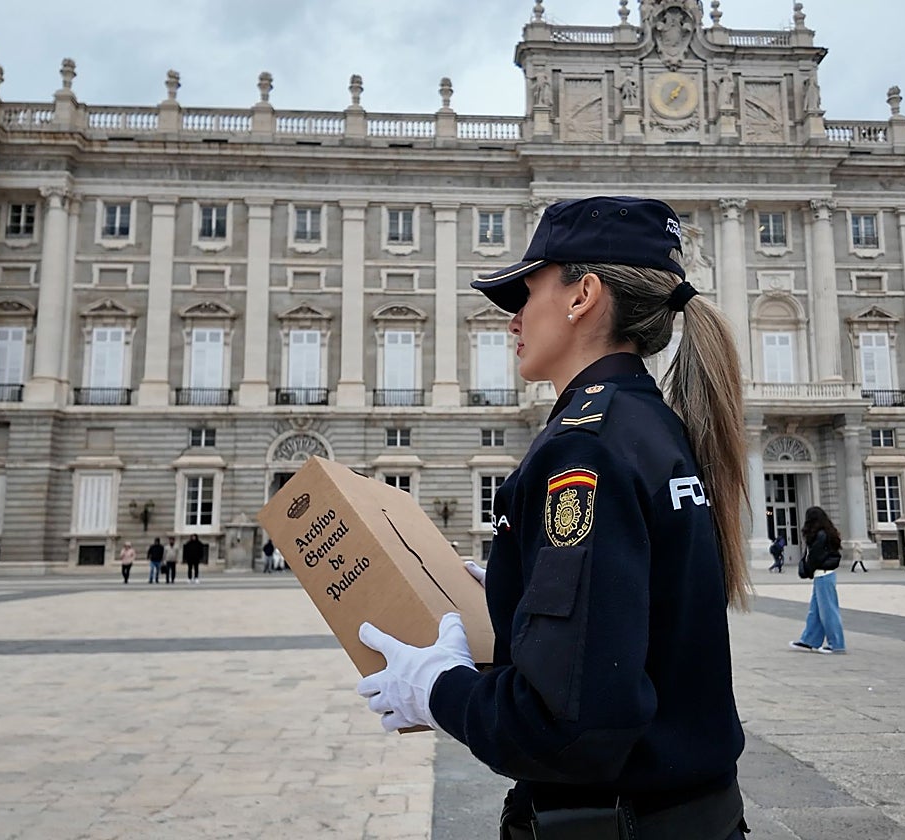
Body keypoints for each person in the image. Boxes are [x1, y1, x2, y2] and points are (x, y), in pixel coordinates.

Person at [355, 197, 752, 839]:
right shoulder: (651, 424)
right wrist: (524, 594)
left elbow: (569, 727)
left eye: (526, 291)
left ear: (582, 296)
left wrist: (434, 690)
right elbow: (635, 622)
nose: (512, 319)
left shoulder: (584, 445)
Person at [789, 506, 846, 654]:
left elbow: (815, 557)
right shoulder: (826, 533)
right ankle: (809, 640)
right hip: (822, 574)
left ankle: (837, 644)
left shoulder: (820, 535)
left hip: (823, 574)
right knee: (815, 611)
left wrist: (806, 570)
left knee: (828, 611)